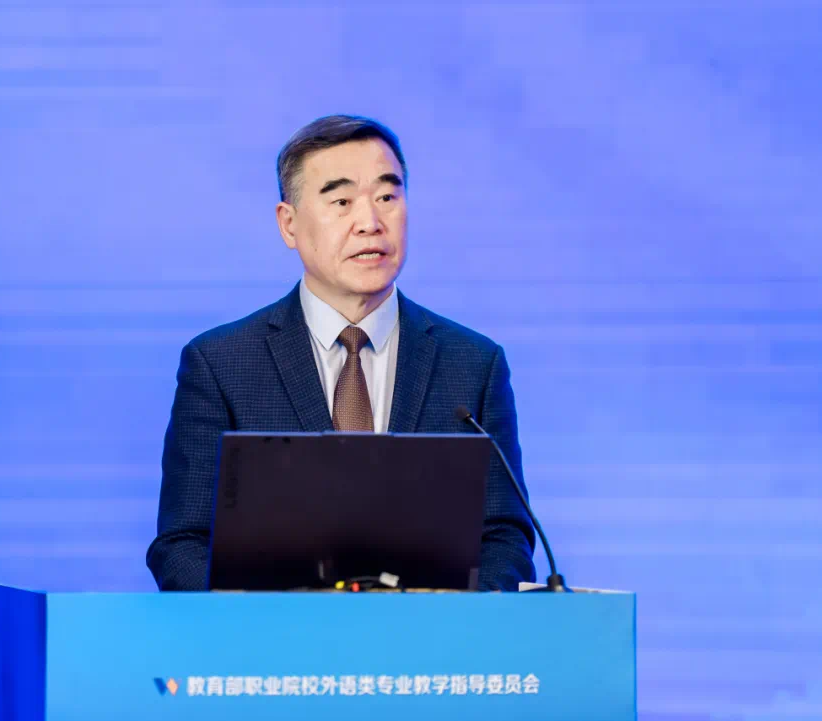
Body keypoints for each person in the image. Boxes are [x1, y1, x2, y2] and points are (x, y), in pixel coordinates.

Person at [146, 114, 535, 591]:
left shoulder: (472, 364)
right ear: (289, 224)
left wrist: (453, 622)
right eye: (342, 201)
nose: (370, 223)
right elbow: (182, 545)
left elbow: (505, 539)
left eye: (387, 197)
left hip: (432, 636)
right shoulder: (221, 364)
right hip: (274, 636)